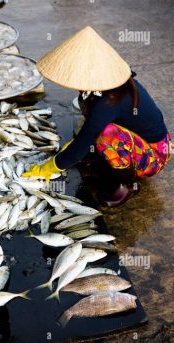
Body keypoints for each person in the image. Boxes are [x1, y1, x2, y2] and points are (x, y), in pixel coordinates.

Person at [22, 26, 171, 207]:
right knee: (89, 121)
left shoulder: (109, 103)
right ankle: (105, 157)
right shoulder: (111, 86)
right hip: (136, 139)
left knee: (106, 135)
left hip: (154, 156)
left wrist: (50, 166)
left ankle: (128, 183)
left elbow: (84, 142)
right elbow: (88, 130)